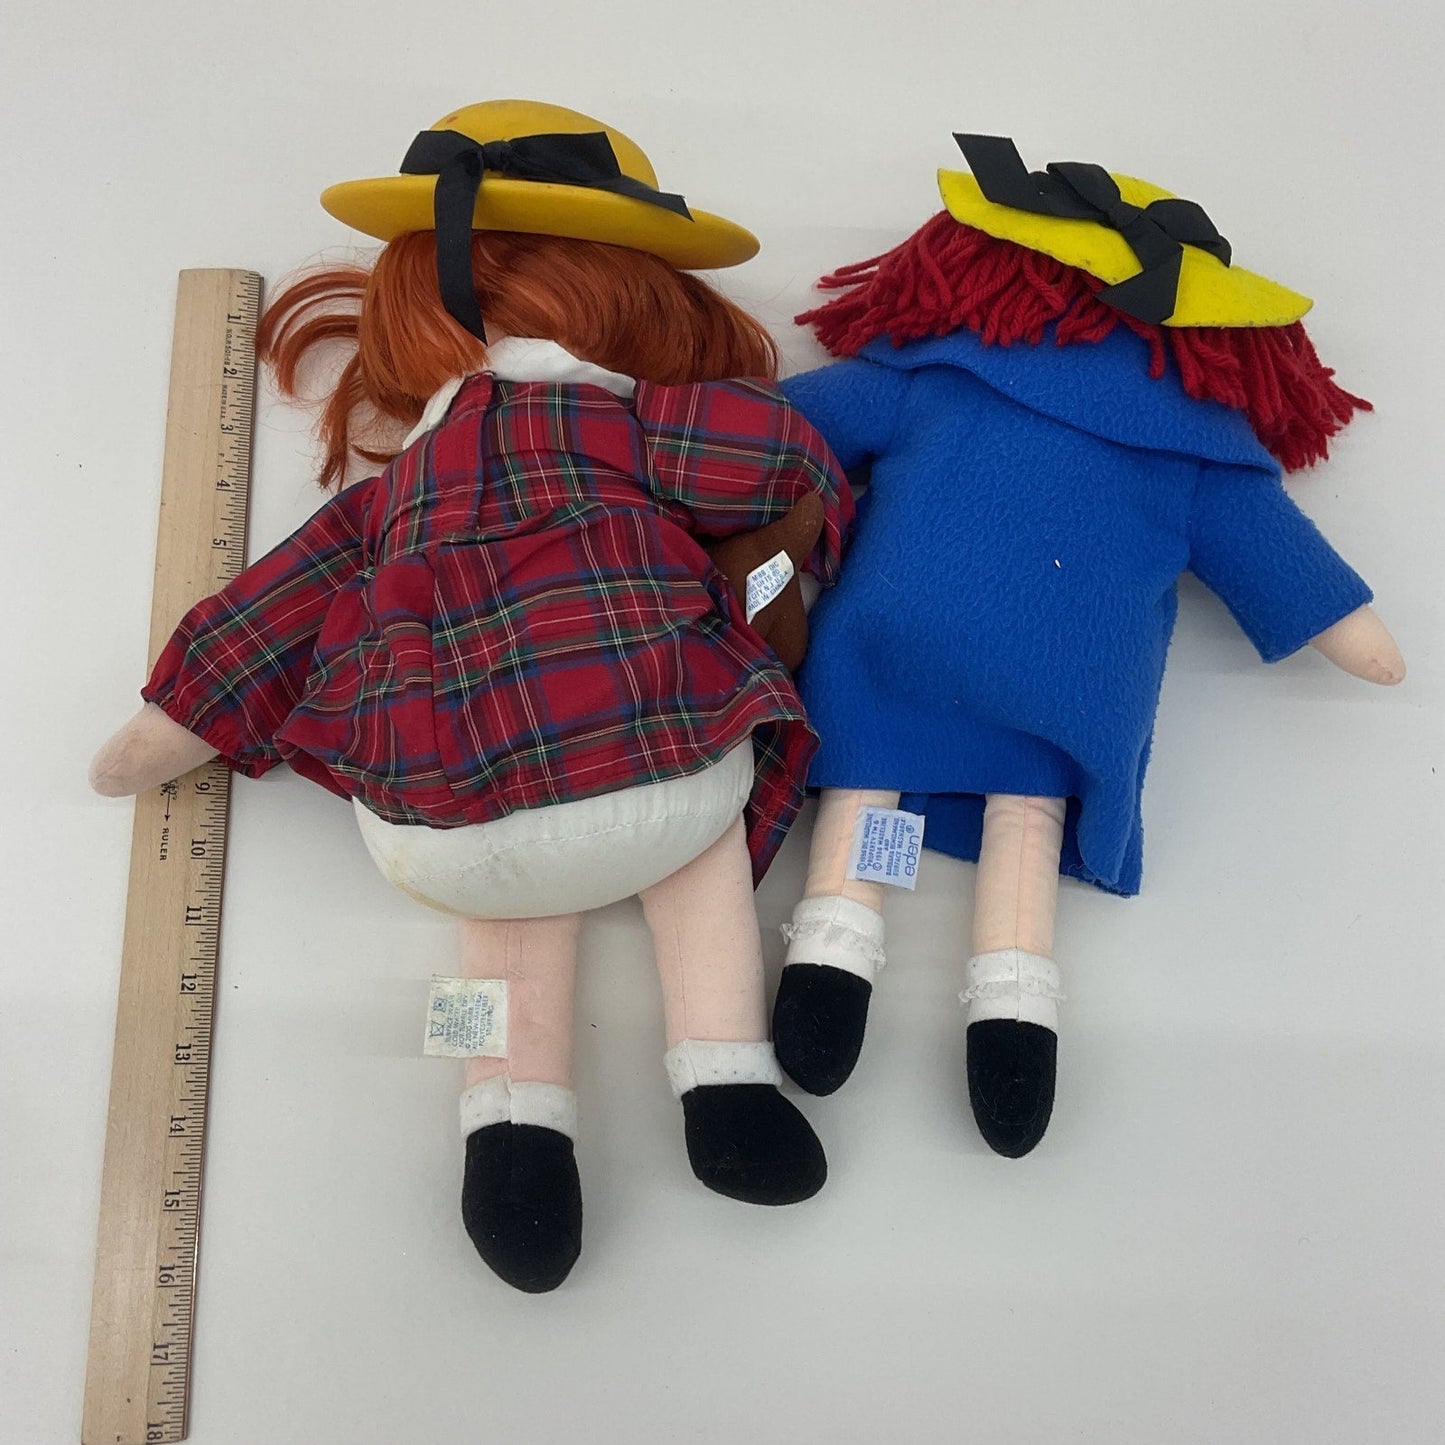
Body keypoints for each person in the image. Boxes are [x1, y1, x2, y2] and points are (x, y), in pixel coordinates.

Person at [91, 100, 853, 1292]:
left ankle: (510, 1134)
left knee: (499, 929)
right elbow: (777, 463)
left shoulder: (391, 493)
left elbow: (276, 603)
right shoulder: (634, 421)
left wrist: (169, 722)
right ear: (637, 294)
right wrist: (824, 523)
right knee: (696, 863)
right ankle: (727, 1088)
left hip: (444, 809)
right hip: (655, 752)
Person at [771, 134, 1404, 1158]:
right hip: (1060, 698)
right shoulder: (1194, 448)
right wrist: (1355, 631)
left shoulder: (934, 374)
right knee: (1022, 833)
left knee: (865, 796)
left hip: (890, 656)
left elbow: (779, 427)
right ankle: (1012, 1011)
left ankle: (827, 961)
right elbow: (1283, 563)